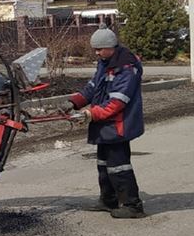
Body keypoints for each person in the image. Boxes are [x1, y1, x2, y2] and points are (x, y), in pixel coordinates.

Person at [62, 27, 146, 218]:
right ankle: (108, 199)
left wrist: (90, 114)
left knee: (119, 165)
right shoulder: (105, 63)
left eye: (99, 49)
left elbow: (117, 102)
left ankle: (133, 205)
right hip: (104, 123)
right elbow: (93, 87)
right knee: (103, 163)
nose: (96, 53)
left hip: (118, 124)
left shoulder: (127, 69)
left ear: (111, 47)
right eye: (95, 49)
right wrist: (73, 103)